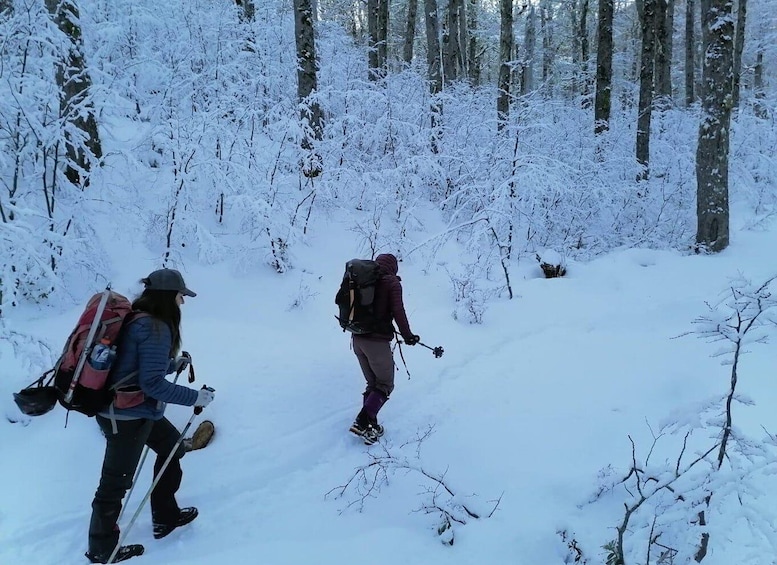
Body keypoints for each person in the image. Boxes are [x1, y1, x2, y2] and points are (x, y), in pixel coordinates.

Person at [85, 268, 216, 564]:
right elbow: (152, 384)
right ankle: (101, 549)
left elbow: (135, 367)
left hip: (131, 409)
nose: (183, 302)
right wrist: (197, 397)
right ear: (169, 296)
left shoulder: (137, 319)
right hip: (127, 416)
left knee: (172, 448)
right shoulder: (156, 328)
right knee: (114, 483)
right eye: (182, 296)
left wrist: (171, 365)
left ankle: (165, 517)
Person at [349, 253, 419, 445]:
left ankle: (371, 429)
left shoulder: (364, 280)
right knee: (385, 385)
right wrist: (408, 336)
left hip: (357, 341)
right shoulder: (392, 283)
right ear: (393, 267)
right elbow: (399, 311)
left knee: (373, 385)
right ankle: (362, 421)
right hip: (376, 343)